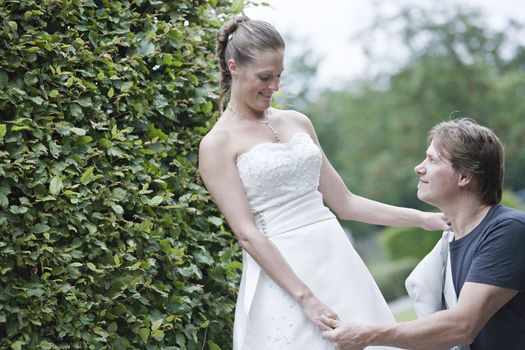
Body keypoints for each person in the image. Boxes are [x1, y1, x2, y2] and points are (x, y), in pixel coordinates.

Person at [198, 15, 448, 350]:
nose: (274, 87)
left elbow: (344, 202)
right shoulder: (217, 145)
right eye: (265, 77)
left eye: (279, 76)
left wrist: (424, 219)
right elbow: (247, 233)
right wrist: (306, 298)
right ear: (234, 68)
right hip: (285, 276)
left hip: (337, 259)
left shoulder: (298, 122)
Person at [321, 118, 525, 350]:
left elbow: (462, 326)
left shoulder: (507, 230)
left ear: (464, 177)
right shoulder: (451, 239)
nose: (419, 167)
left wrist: (369, 335)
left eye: (433, 160)